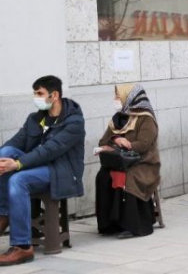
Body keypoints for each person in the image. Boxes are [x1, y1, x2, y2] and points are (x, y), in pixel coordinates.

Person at [0, 76, 85, 266]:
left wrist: (18, 164)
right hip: (37, 165)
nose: (36, 97)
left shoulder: (74, 122)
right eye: (34, 93)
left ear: (54, 95)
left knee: (18, 179)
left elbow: (49, 151)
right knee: (5, 153)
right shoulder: (36, 118)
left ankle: (22, 247)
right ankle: (3, 214)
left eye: (39, 93)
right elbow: (16, 142)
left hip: (61, 171)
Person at [95, 84, 160, 239]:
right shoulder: (118, 118)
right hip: (122, 160)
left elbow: (144, 144)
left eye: (118, 96)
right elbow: (103, 140)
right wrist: (116, 139)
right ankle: (109, 224)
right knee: (103, 176)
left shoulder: (146, 118)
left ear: (129, 98)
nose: (115, 100)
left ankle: (133, 225)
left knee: (128, 177)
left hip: (143, 162)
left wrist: (128, 144)